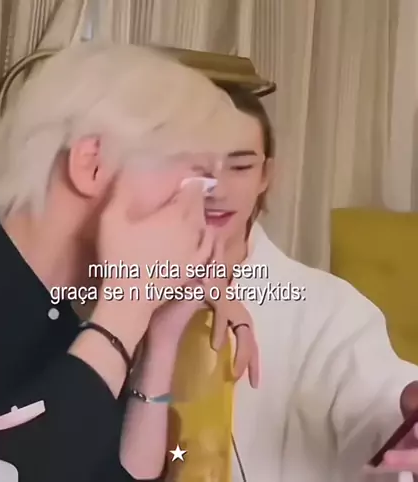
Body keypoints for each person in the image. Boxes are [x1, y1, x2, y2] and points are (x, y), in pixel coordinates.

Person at [0, 43, 260, 482]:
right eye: (196, 183)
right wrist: (122, 314)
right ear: (91, 164)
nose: (202, 214)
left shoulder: (66, 315)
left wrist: (161, 337)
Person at [160, 84, 418, 482]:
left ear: (266, 175)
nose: (217, 190)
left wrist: (403, 423)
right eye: (196, 166)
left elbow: (379, 402)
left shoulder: (330, 309)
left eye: (240, 167)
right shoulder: (106, 298)